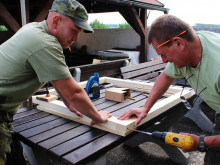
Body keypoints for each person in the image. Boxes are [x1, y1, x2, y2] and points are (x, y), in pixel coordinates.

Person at [0, 0, 112, 164]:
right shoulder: (45, 43)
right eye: (74, 31)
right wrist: (98, 116)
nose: (75, 39)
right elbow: (74, 93)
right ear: (56, 21)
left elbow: (56, 78)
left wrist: (65, 98)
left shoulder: (33, 29)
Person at [118, 14, 220, 165]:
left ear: (179, 43)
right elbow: (166, 76)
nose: (164, 61)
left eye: (164, 55)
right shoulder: (191, 45)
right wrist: (145, 108)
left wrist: (201, 142)